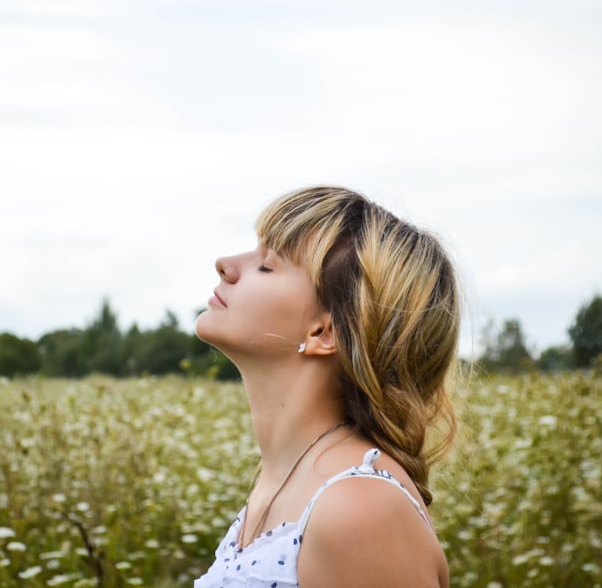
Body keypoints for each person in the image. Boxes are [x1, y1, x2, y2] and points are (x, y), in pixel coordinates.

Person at [193, 186, 460, 588]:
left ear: (324, 331)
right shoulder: (289, 479)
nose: (226, 265)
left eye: (266, 265)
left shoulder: (360, 511)